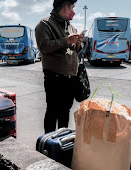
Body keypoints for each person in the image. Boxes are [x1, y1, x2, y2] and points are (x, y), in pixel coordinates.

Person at [35, 0, 83, 133]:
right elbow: (44, 47)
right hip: (54, 77)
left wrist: (78, 43)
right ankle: (48, 144)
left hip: (71, 77)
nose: (74, 11)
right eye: (72, 7)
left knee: (65, 111)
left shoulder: (70, 26)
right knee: (52, 111)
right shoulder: (45, 24)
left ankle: (61, 142)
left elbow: (75, 50)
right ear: (66, 8)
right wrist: (67, 40)